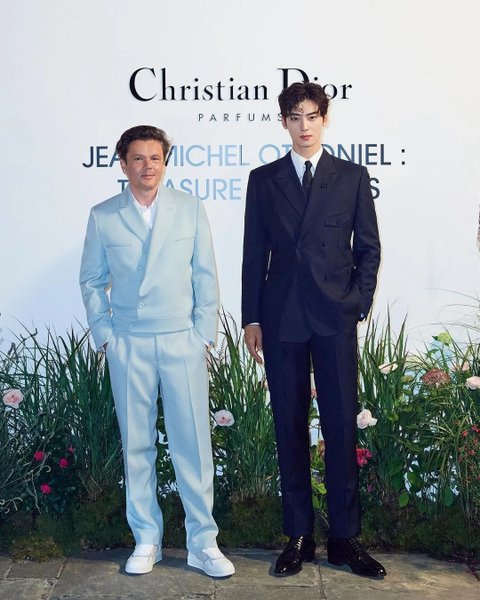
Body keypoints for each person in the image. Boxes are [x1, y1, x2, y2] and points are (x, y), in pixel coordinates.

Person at [241, 83, 386, 578]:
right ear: (283, 122)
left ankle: (345, 538)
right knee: (289, 424)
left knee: (341, 424)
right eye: (295, 117)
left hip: (333, 318)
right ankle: (298, 535)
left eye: (312, 116)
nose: (304, 126)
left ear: (325, 119)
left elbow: (369, 247)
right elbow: (253, 254)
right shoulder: (264, 179)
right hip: (281, 318)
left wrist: (357, 303)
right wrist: (252, 317)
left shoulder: (351, 176)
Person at [79, 125, 234, 578]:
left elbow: (205, 274)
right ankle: (146, 538)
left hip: (180, 338)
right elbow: (91, 280)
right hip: (129, 341)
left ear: (164, 162)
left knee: (193, 444)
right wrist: (106, 335)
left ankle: (203, 543)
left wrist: (202, 333)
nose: (147, 166)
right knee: (137, 445)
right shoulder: (103, 216)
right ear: (123, 164)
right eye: (138, 158)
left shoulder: (189, 208)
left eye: (155, 158)